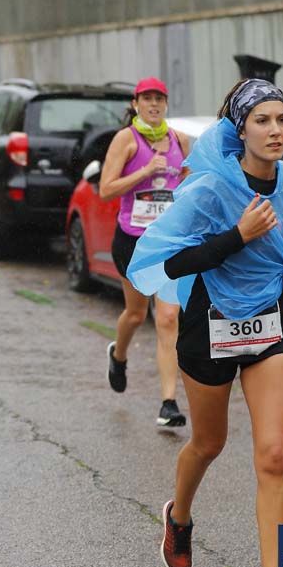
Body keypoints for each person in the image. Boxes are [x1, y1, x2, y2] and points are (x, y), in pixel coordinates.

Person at [127, 79, 283, 567]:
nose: (275, 131)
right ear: (240, 128)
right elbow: (167, 262)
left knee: (273, 455)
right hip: (210, 324)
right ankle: (178, 518)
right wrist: (235, 236)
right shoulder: (210, 187)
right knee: (209, 443)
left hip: (270, 321)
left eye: (282, 120)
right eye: (263, 121)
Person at [99, 77, 189, 427]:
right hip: (132, 241)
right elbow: (106, 189)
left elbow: (188, 185)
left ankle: (168, 402)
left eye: (159, 99)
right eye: (147, 99)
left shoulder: (179, 140)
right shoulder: (126, 140)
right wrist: (146, 173)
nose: (154, 105)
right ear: (136, 104)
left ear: (166, 104)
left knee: (167, 318)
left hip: (167, 244)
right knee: (135, 315)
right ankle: (118, 354)